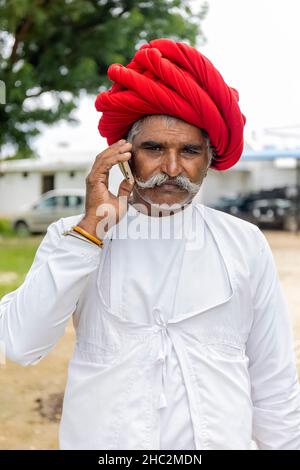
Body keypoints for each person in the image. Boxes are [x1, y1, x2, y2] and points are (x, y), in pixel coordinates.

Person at [1, 38, 299, 450]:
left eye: (190, 151)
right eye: (154, 148)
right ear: (124, 155)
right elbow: (20, 345)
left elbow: (274, 381)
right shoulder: (74, 237)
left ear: (209, 159)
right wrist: (91, 232)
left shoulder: (244, 243)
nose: (172, 168)